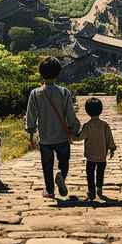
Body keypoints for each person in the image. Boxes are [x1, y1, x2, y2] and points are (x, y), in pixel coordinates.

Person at [25, 56, 80, 198]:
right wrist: (74, 129)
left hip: (45, 138)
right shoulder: (64, 92)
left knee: (47, 166)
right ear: (58, 73)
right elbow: (70, 115)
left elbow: (31, 114)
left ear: (41, 73)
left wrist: (31, 130)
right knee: (64, 162)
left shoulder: (35, 93)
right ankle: (60, 174)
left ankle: (49, 190)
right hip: (62, 137)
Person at [75, 97, 116, 201]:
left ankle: (91, 191)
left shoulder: (87, 126)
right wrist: (112, 148)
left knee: (90, 174)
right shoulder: (104, 125)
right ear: (100, 110)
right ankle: (99, 189)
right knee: (100, 173)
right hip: (102, 155)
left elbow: (80, 137)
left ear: (87, 111)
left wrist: (71, 136)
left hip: (91, 156)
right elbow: (109, 137)